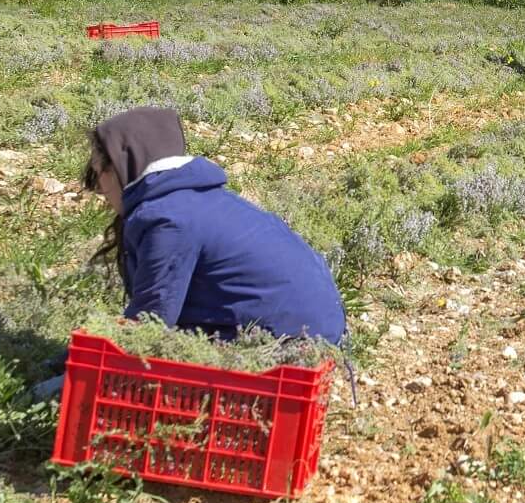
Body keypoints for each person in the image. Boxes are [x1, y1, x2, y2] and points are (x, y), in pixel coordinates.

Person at [83, 107, 347, 341]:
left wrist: (66, 367)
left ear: (121, 166)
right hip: (317, 330)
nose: (99, 188)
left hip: (288, 344)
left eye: (97, 173)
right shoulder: (200, 200)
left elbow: (150, 321)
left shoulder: (168, 220)